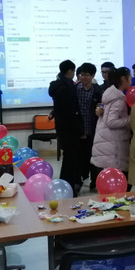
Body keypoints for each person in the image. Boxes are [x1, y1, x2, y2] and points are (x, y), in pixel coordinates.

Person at [90, 67, 132, 189]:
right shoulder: (118, 99)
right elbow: (111, 122)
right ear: (123, 79)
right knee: (118, 185)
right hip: (112, 146)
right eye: (129, 78)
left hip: (106, 142)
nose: (131, 81)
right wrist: (131, 119)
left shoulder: (111, 95)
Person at [48, 60, 82, 196]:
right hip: (70, 129)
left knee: (68, 158)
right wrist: (79, 129)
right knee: (70, 160)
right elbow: (71, 112)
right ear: (70, 71)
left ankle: (66, 186)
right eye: (74, 71)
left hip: (62, 127)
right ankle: (68, 188)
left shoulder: (58, 85)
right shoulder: (66, 88)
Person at [76, 63, 103, 191]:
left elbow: (102, 105)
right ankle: (79, 179)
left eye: (86, 75)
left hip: (93, 128)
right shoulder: (75, 89)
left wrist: (100, 109)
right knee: (79, 157)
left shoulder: (98, 90)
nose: (83, 77)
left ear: (92, 75)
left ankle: (94, 181)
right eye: (82, 75)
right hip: (79, 129)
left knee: (94, 156)